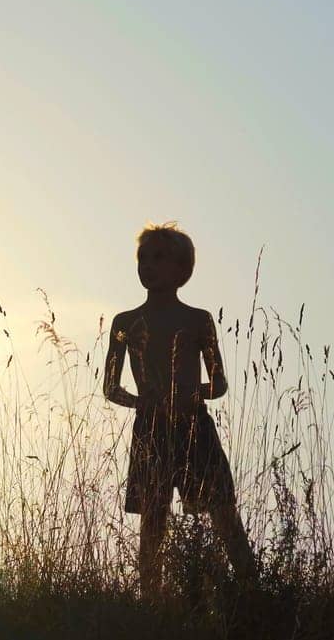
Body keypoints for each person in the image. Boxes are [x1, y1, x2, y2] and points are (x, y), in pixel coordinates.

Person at [102, 223, 259, 595]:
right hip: (150, 428)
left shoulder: (198, 320)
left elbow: (218, 384)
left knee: (223, 512)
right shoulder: (124, 323)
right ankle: (150, 602)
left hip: (194, 427)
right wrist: (141, 401)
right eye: (143, 257)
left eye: (158, 257)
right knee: (153, 520)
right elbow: (110, 387)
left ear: (182, 270)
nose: (147, 265)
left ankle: (253, 590)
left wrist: (193, 392)